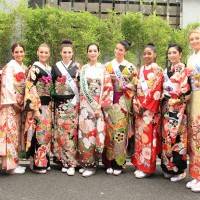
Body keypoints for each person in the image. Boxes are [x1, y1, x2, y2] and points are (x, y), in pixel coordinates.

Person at [78, 43, 113, 177]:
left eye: (95, 51)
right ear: (87, 53)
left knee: (94, 134)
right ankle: (86, 163)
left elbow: (108, 88)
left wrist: (100, 106)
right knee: (85, 134)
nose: (92, 53)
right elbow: (81, 88)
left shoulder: (103, 69)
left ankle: (93, 165)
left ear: (99, 53)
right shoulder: (84, 69)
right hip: (85, 106)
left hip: (97, 106)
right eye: (90, 51)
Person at [103, 40, 137, 176]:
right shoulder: (107, 66)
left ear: (125, 52)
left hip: (122, 102)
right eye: (116, 49)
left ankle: (119, 162)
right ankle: (108, 162)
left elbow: (134, 85)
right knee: (109, 132)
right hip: (109, 101)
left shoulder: (130, 67)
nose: (118, 51)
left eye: (121, 50)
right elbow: (102, 85)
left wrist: (125, 86)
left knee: (120, 134)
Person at [132, 43, 163, 178]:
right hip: (139, 108)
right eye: (144, 53)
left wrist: (144, 105)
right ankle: (139, 164)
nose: (146, 56)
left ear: (155, 55)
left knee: (148, 138)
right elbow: (136, 88)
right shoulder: (141, 69)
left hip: (149, 110)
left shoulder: (157, 69)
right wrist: (135, 103)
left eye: (149, 53)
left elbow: (156, 90)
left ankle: (147, 168)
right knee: (140, 137)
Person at [161, 44, 190, 182]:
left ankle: (180, 170)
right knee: (166, 137)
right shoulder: (166, 70)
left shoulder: (184, 69)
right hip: (166, 106)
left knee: (177, 138)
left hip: (178, 107)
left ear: (180, 54)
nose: (171, 55)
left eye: (174, 52)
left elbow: (186, 90)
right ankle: (168, 168)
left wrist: (178, 100)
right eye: (169, 53)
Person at [51, 40, 79, 175]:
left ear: (72, 53)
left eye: (69, 52)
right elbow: (51, 85)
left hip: (72, 104)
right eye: (64, 52)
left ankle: (72, 163)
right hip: (60, 105)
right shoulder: (56, 67)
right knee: (61, 134)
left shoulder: (77, 67)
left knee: (71, 134)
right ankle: (62, 161)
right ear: (61, 53)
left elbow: (79, 86)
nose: (67, 55)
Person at [24, 43, 52, 174]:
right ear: (37, 52)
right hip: (38, 105)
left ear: (49, 54)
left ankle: (44, 160)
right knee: (38, 133)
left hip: (47, 105)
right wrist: (35, 109)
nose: (44, 54)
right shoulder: (35, 68)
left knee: (45, 134)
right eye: (41, 52)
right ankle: (36, 164)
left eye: (46, 52)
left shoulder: (49, 68)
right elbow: (30, 87)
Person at [0, 43, 26, 174]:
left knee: (16, 135)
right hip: (10, 105)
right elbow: (7, 85)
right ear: (12, 53)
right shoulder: (10, 66)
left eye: (21, 51)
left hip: (19, 105)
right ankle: (10, 167)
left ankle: (15, 163)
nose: (19, 54)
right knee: (10, 135)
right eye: (16, 52)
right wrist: (14, 103)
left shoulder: (22, 66)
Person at [186, 28, 200, 192]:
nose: (195, 41)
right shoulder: (191, 57)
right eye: (192, 39)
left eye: (197, 38)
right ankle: (196, 175)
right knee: (194, 136)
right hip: (193, 98)